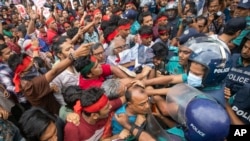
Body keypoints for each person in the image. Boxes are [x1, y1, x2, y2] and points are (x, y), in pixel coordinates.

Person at [8, 36, 91, 114]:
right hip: (54, 113)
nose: (34, 67)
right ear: (22, 73)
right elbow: (54, 72)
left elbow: (35, 59)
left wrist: (50, 88)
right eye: (30, 68)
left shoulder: (29, 75)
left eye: (33, 64)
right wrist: (74, 55)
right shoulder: (30, 86)